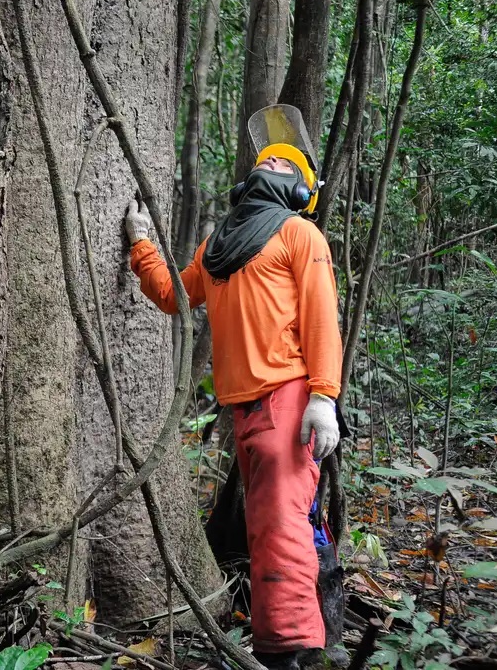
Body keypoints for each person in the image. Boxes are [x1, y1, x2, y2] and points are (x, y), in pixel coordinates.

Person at [125, 139, 345, 669]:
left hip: (288, 402)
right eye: (264, 158)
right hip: (243, 410)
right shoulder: (219, 246)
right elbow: (175, 294)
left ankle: (288, 652)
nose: (270, 162)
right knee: (266, 524)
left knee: (280, 525)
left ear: (298, 189)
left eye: (284, 164)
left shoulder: (299, 233)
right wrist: (140, 243)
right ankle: (294, 641)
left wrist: (323, 398)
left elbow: (321, 318)